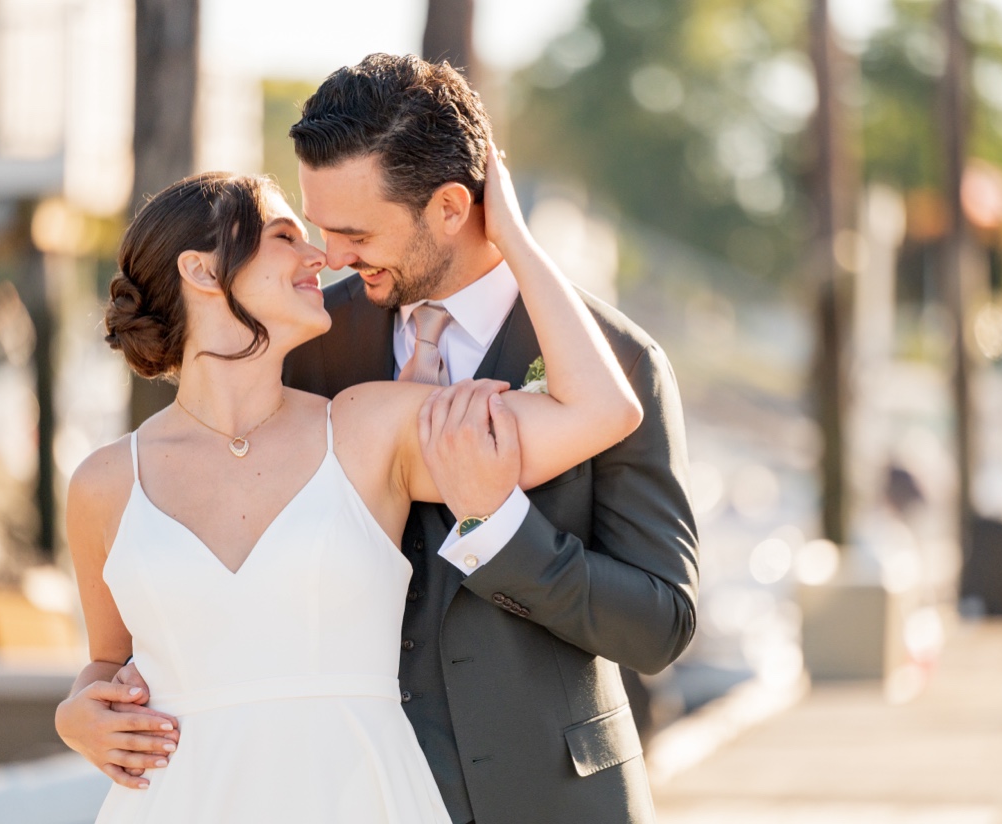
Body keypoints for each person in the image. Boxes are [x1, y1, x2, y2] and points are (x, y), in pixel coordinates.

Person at [57, 54, 698, 822]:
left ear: (453, 207)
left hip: (546, 794)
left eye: (352, 231)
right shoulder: (310, 347)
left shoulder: (611, 361)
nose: (327, 255)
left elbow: (659, 624)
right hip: (343, 788)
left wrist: (498, 525)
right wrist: (80, 710)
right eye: (310, 227)